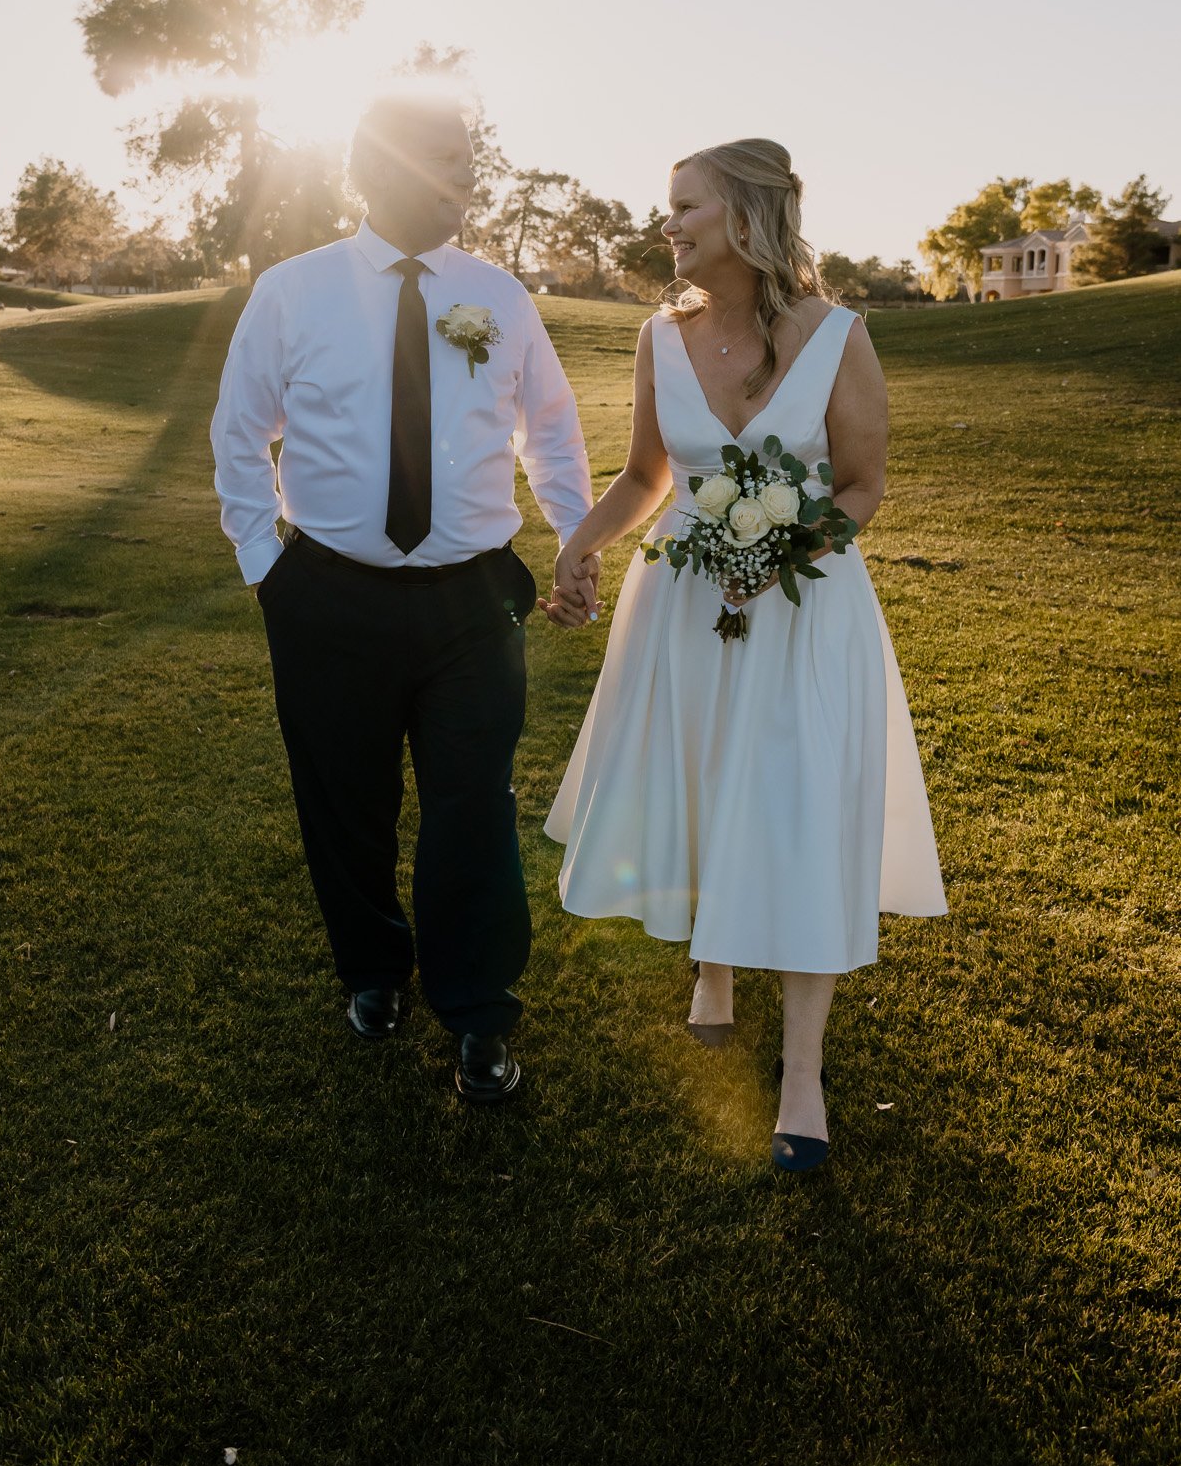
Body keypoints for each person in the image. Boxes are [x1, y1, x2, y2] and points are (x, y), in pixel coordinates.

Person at [542, 138, 946, 1171]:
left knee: (800, 806)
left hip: (804, 610)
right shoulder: (656, 334)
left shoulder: (839, 334)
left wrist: (782, 552)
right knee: (704, 780)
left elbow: (859, 483)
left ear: (748, 218)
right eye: (666, 207)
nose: (665, 225)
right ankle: (711, 963)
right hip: (681, 604)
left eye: (685, 207)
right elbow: (646, 477)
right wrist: (580, 542)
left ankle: (801, 1071)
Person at [211, 84, 594, 1103]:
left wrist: (573, 537)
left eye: (469, 162)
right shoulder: (292, 292)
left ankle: (477, 1013)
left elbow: (548, 428)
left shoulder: (498, 297)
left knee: (474, 804)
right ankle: (374, 969)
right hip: (328, 598)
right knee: (346, 805)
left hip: (475, 603)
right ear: (372, 174)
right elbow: (238, 435)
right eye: (443, 163)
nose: (464, 181)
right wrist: (267, 567)